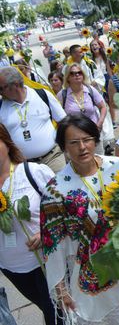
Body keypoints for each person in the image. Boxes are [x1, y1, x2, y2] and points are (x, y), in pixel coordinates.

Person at [41, 114, 119, 324]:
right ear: (63, 147)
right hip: (90, 275)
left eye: (87, 139)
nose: (82, 147)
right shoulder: (56, 190)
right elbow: (51, 242)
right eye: (73, 142)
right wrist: (60, 289)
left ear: (95, 139)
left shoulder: (116, 166)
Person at [0, 124, 59, 325]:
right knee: (48, 307)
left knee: (55, 315)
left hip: (45, 262)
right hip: (11, 269)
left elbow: (64, 206)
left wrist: (47, 232)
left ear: (7, 143)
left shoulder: (32, 172)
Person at [0, 67, 67, 173]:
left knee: (62, 189)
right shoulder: (1, 106)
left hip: (53, 159)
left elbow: (64, 122)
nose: (0, 93)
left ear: (16, 85)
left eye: (1, 88)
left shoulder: (42, 95)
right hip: (22, 167)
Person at [58, 63, 108, 153]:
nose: (76, 75)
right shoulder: (62, 94)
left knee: (99, 158)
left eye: (79, 72)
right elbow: (58, 115)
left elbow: (103, 107)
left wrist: (99, 123)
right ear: (67, 78)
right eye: (72, 73)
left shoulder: (90, 90)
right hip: (75, 137)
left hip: (93, 132)